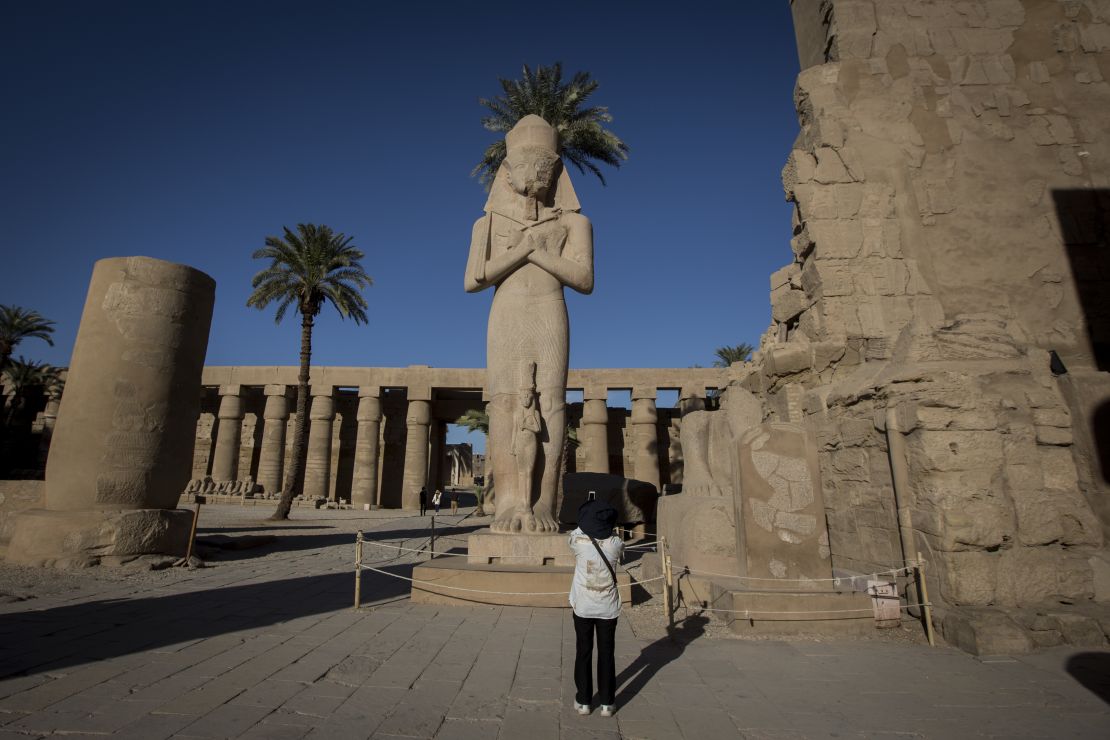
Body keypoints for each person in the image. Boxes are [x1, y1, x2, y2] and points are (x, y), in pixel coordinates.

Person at [568, 495, 623, 717]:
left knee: (583, 651)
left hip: (583, 606)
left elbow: (578, 529)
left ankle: (583, 700)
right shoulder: (617, 544)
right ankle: (608, 702)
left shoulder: (577, 543)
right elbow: (612, 536)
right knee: (607, 653)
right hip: (608, 608)